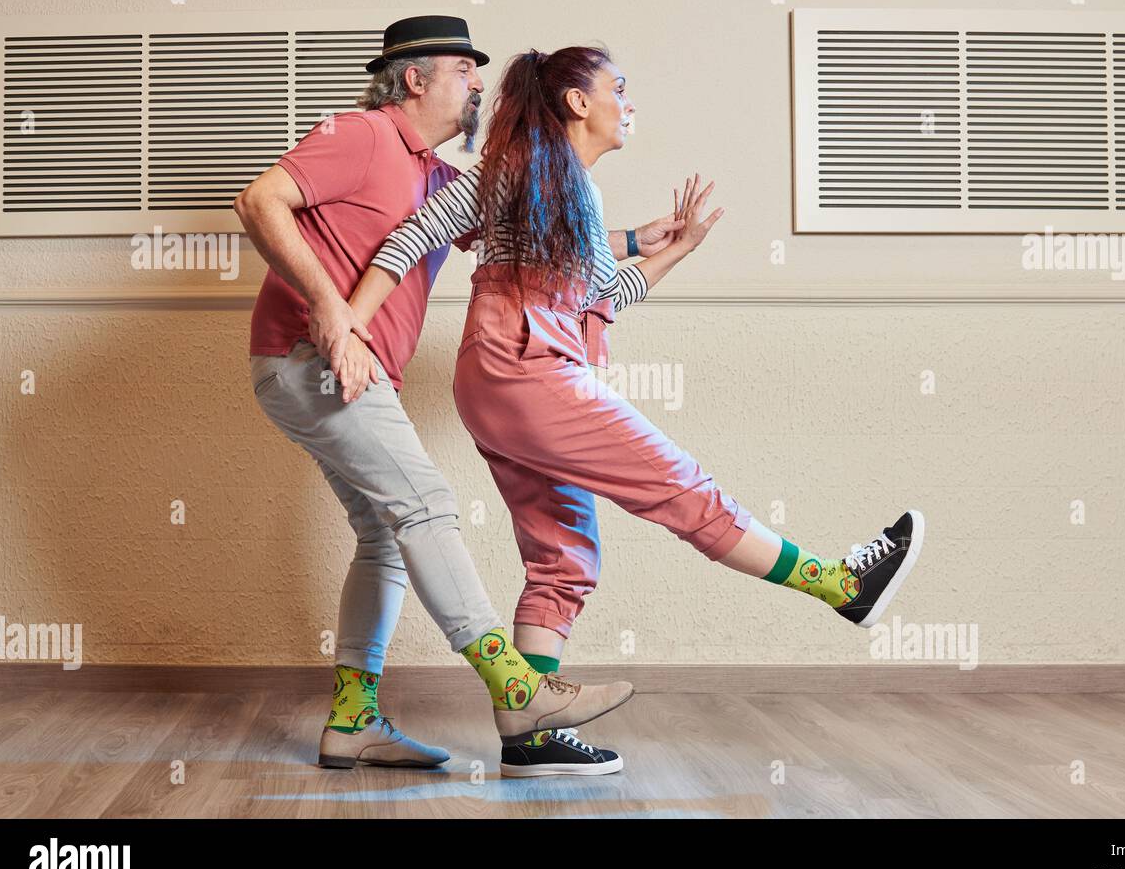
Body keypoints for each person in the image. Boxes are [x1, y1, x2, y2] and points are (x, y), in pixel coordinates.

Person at [342, 45, 927, 769]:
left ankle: (531, 733)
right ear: (578, 103)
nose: (629, 101)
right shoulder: (517, 167)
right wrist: (349, 325)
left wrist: (674, 248)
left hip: (507, 376)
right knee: (681, 484)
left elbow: (604, 297)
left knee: (563, 557)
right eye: (618, 87)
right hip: (525, 369)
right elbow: (416, 235)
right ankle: (842, 584)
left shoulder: (568, 192)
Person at [235, 19, 638, 773]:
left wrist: (650, 240)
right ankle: (517, 686)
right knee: (427, 504)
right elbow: (260, 200)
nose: (480, 82)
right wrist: (329, 310)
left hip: (338, 374)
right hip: (311, 360)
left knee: (386, 533)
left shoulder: (437, 175)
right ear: (412, 77)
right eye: (463, 68)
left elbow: (547, 224)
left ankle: (353, 720)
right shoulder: (362, 134)